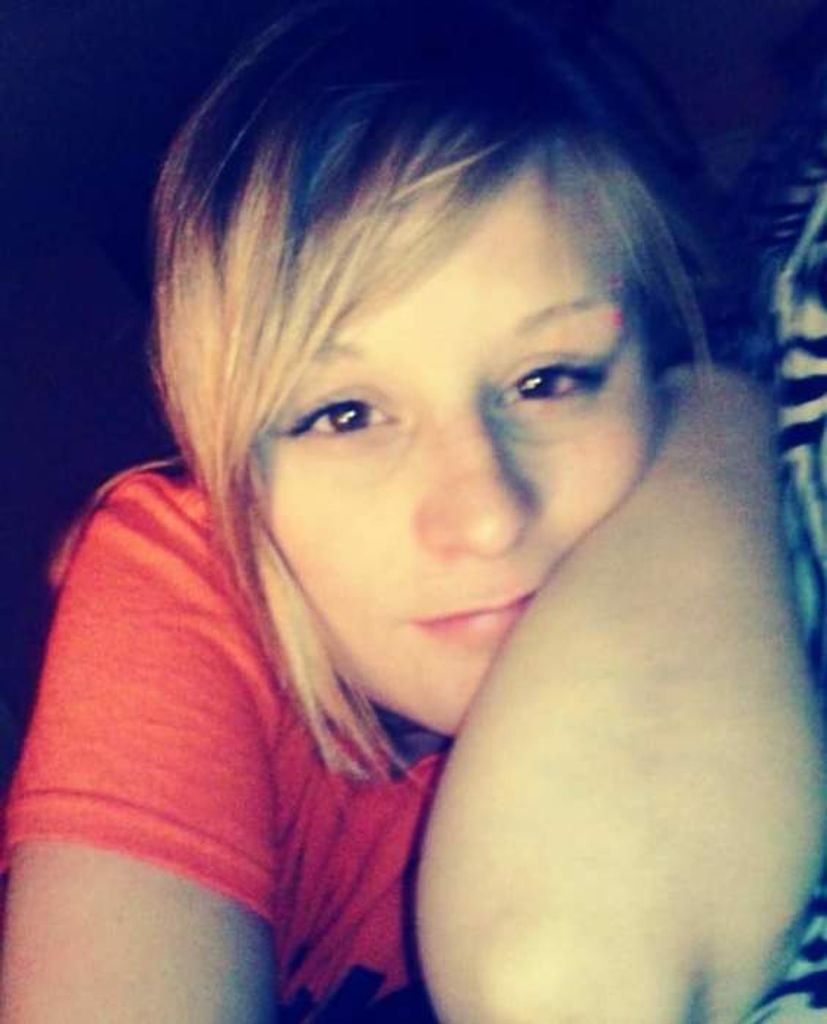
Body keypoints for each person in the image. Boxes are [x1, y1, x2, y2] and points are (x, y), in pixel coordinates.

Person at [0, 1, 823, 1021]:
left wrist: (716, 403)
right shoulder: (187, 568)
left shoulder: (716, 456)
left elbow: (576, 966)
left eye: (550, 378)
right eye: (343, 414)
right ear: (233, 469)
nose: (482, 516)